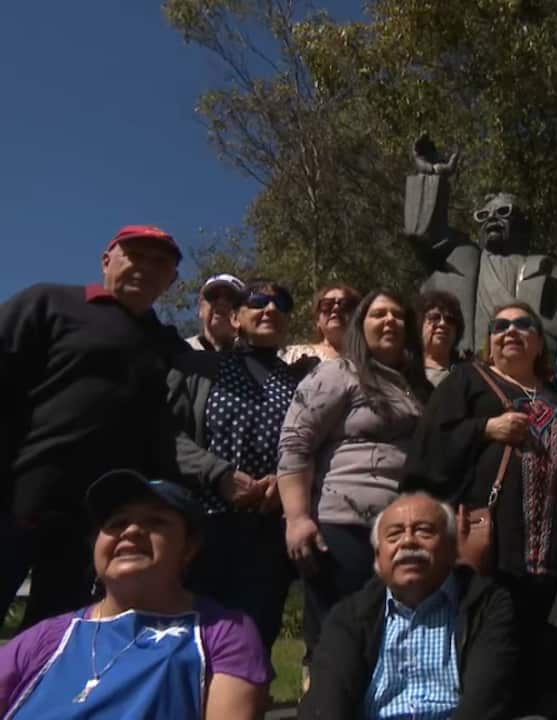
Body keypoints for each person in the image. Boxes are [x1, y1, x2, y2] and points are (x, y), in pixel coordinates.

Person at [0, 224, 188, 627]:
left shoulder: (166, 344)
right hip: (17, 497)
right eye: (134, 255)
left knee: (54, 632)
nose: (146, 267)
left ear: (171, 281)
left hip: (98, 518)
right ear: (107, 260)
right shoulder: (50, 302)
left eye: (160, 263)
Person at [405, 301, 557, 711]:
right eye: (500, 325)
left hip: (547, 558)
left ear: (539, 343)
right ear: (489, 341)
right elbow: (428, 448)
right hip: (487, 553)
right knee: (489, 660)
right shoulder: (467, 381)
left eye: (524, 325)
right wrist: (484, 429)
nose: (511, 332)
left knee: (538, 668)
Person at [0, 469, 270, 719]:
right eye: (117, 523)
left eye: (156, 521)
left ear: (189, 547)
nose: (131, 531)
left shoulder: (222, 634)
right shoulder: (46, 640)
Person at [278, 289, 431, 661]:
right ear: (361, 326)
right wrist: (297, 518)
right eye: (379, 314)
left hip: (402, 532)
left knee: (390, 642)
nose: (390, 321)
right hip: (343, 527)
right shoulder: (337, 373)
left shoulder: (418, 388)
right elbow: (296, 444)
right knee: (337, 642)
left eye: (397, 314)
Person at [169, 279, 304, 651]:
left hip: (268, 535)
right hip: (201, 527)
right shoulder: (199, 367)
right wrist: (220, 475)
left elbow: (310, 448)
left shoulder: (299, 383)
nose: (271, 308)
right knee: (187, 643)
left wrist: (286, 482)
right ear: (237, 317)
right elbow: (162, 432)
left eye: (282, 303)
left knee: (252, 644)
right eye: (259, 300)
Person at [299, 492, 519, 720]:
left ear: (452, 549)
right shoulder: (348, 617)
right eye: (394, 535)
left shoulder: (486, 605)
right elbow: (325, 702)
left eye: (424, 531)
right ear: (378, 558)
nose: (408, 541)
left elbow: (487, 698)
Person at [282, 284, 361, 368]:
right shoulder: (294, 355)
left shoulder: (366, 360)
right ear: (317, 320)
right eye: (327, 304)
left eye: (345, 304)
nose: (336, 308)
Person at [416, 289, 467, 387]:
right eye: (434, 317)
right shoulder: (406, 375)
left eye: (450, 320)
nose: (443, 323)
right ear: (420, 324)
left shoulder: (471, 371)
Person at [186, 274, 246, 352]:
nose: (221, 302)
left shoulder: (256, 358)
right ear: (201, 308)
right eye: (213, 296)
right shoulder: (178, 352)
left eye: (231, 298)